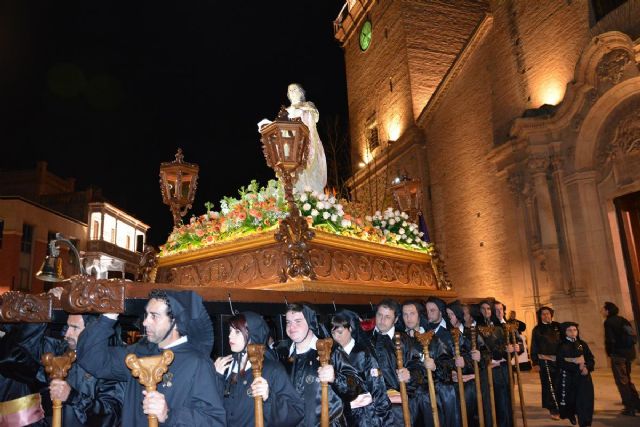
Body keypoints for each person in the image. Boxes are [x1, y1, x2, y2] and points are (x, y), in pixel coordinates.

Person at [75, 289, 226, 426]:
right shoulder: (138, 354)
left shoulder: (197, 363)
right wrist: (108, 316)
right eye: (147, 315)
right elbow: (91, 358)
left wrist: (169, 414)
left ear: (175, 323)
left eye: (154, 316)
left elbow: (214, 421)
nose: (145, 322)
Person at [214, 311, 304, 426]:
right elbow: (214, 410)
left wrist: (269, 397)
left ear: (253, 334)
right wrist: (217, 378)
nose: (230, 336)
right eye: (230, 331)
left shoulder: (272, 370)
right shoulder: (225, 368)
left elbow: (296, 412)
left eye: (237, 332)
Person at [283, 303, 363, 427]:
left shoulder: (331, 351)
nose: (291, 327)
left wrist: (335, 378)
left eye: (298, 321)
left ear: (310, 322)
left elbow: (354, 386)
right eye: (288, 322)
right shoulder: (284, 357)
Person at [258, 83, 327, 194]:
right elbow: (279, 127)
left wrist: (303, 111)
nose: (292, 92)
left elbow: (313, 120)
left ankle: (309, 194)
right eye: (290, 90)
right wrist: (267, 124)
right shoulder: (286, 111)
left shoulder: (307, 106)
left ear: (301, 92)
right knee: (291, 173)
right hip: (290, 148)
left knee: (306, 171)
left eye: (295, 89)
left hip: (305, 143)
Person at [331, 310, 393, 426]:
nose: (336, 337)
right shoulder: (331, 354)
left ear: (350, 329)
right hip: (340, 416)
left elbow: (378, 388)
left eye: (340, 332)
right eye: (333, 333)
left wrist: (385, 420)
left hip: (365, 416)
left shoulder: (363, 353)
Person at [368, 299, 425, 426]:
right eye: (379, 315)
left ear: (395, 319)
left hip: (400, 401)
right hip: (371, 402)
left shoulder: (406, 341)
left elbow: (419, 367)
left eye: (387, 317)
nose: (382, 320)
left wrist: (409, 374)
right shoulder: (366, 340)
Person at [446, 300, 485, 427]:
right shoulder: (445, 335)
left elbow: (486, 355)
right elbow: (443, 359)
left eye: (451, 314)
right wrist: (451, 371)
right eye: (447, 314)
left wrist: (469, 362)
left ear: (458, 315)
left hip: (472, 384)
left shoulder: (471, 333)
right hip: (453, 385)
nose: (448, 317)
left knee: (473, 417)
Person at [424, 297, 460, 427]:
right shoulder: (424, 331)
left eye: (432, 310)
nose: (429, 314)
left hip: (450, 388)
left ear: (441, 312)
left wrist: (457, 367)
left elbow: (463, 357)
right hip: (430, 387)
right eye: (427, 310)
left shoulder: (453, 332)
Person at [602, 301, 640, 415]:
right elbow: (632, 335)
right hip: (628, 354)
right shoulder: (623, 320)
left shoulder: (608, 322)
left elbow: (610, 340)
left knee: (622, 381)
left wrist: (610, 353)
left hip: (618, 355)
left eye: (603, 309)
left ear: (608, 311)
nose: (602, 311)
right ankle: (637, 404)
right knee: (627, 379)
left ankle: (629, 407)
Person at [556, 322, 594, 426]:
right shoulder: (561, 346)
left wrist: (587, 367)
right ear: (565, 332)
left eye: (575, 330)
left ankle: (585, 421)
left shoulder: (582, 344)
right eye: (570, 330)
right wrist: (577, 366)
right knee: (571, 400)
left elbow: (590, 358)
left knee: (585, 400)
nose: (573, 332)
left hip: (583, 377)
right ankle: (570, 414)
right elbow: (560, 362)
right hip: (569, 377)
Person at [530, 306, 561, 420]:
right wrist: (535, 362)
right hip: (545, 362)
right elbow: (534, 346)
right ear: (540, 316)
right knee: (549, 386)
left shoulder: (558, 326)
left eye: (548, 313)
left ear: (551, 314)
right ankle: (553, 408)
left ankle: (563, 406)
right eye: (543, 314)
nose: (546, 316)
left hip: (559, 361)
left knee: (561, 384)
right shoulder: (537, 329)